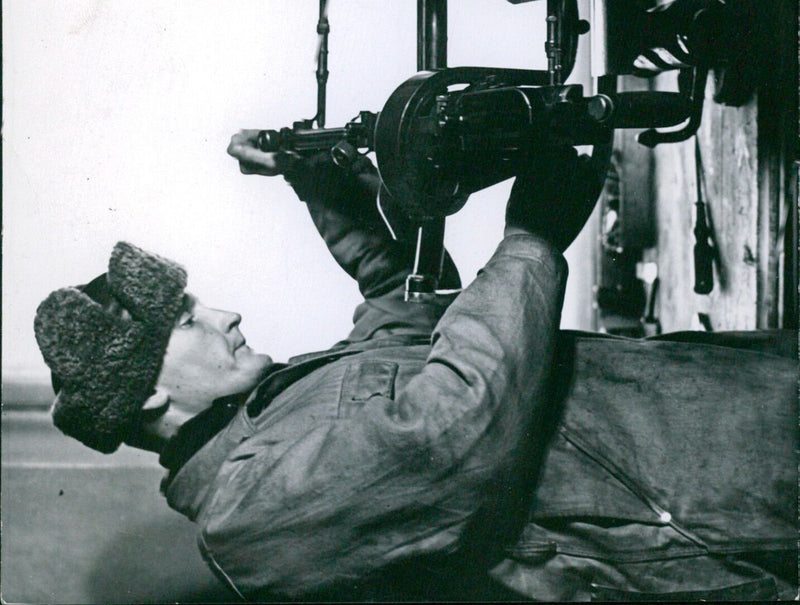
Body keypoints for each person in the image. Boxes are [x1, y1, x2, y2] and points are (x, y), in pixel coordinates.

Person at [34, 138, 797, 602]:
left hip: (716, 416)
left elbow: (402, 309)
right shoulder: (246, 519)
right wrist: (530, 238)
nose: (226, 315)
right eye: (189, 319)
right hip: (716, 503)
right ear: (153, 396)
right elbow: (450, 430)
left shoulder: (270, 415)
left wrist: (317, 179)